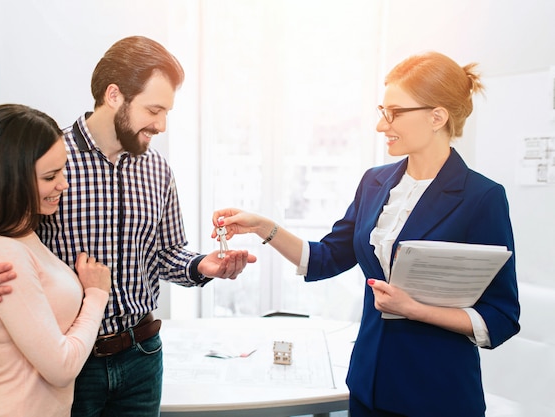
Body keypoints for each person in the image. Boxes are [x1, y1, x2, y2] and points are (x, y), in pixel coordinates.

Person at [0, 36, 256, 417]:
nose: (162, 125)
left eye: (167, 111)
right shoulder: (49, 158)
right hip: (70, 364)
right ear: (115, 95)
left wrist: (204, 265)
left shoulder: (157, 170)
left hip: (142, 355)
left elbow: (167, 252)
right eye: (154, 109)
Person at [212, 52, 520, 417]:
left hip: (436, 394)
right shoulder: (375, 182)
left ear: (437, 117)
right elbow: (326, 258)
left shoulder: (481, 197)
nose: (381, 125)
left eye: (395, 112)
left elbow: (501, 316)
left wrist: (414, 309)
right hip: (367, 386)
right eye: (382, 110)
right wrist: (263, 226)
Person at [0, 104, 111, 417]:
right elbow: (61, 368)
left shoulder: (25, 237)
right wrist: (97, 295)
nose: (64, 184)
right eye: (50, 176)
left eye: (63, 170)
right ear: (9, 180)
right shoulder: (3, 253)